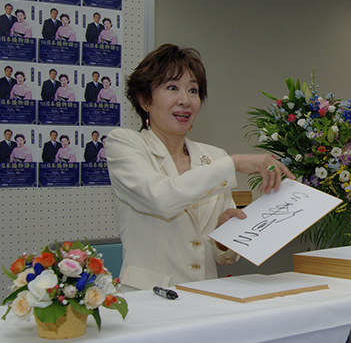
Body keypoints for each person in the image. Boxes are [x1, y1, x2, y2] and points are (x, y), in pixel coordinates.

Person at [106, 44, 294, 290]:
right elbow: (161, 197)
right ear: (144, 100)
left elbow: (224, 257)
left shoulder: (214, 157)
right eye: (172, 88)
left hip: (204, 295)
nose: (185, 100)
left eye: (193, 90)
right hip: (149, 299)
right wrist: (235, 163)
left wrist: (224, 235)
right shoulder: (124, 144)